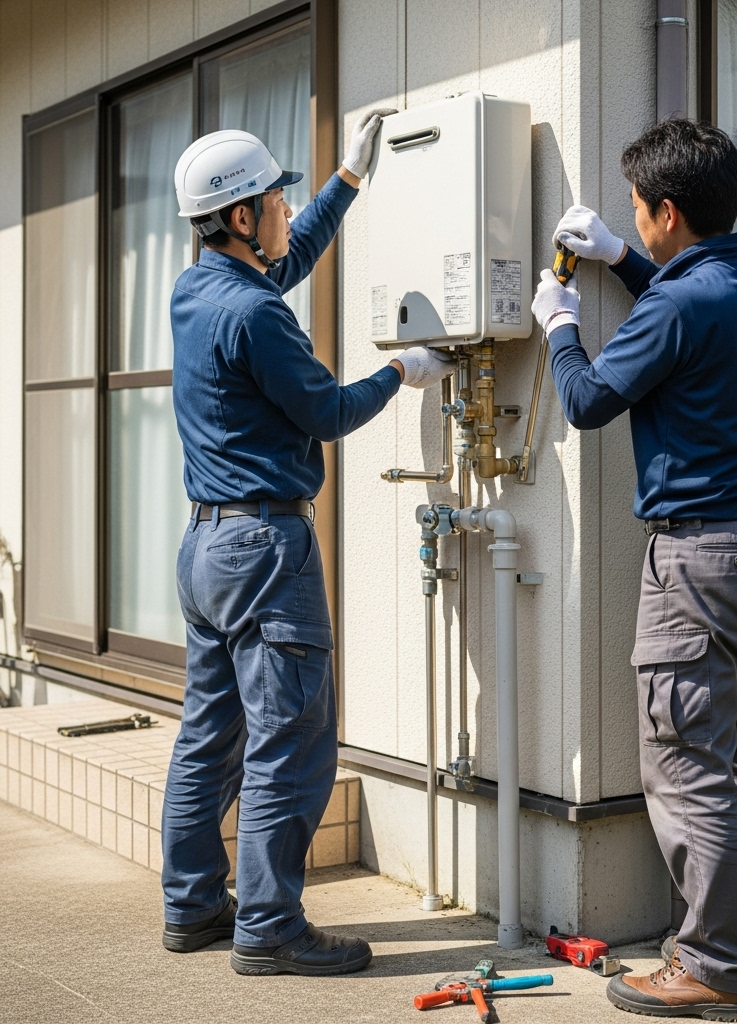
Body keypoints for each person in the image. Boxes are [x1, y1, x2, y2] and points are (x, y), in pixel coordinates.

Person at [161, 114, 453, 977]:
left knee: (208, 735)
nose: (287, 207)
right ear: (242, 217)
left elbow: (280, 269)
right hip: (264, 549)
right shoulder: (255, 316)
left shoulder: (197, 289)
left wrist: (345, 184)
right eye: (277, 197)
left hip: (207, 549)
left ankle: (194, 907)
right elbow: (327, 413)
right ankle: (271, 928)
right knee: (288, 736)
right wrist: (403, 371)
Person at [531, 118, 737, 1020]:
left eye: (639, 213)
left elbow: (589, 400)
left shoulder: (681, 305)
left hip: (701, 563)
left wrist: (559, 325)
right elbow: (687, 312)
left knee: (687, 762)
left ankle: (712, 969)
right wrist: (618, 260)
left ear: (669, 213)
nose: (635, 221)